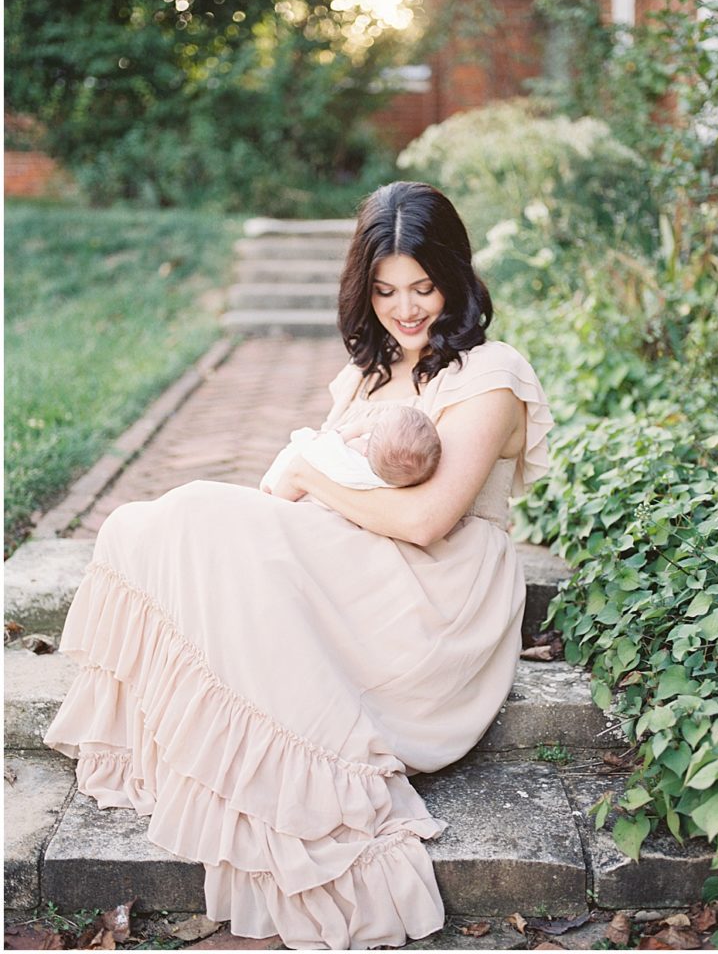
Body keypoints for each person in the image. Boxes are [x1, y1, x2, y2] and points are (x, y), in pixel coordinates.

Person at [44, 181, 555, 950]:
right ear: (363, 287)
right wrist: (300, 486)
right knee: (142, 527)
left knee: (196, 511)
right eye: (384, 290)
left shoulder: (488, 374)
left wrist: (308, 477)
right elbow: (301, 482)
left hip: (432, 592)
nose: (405, 308)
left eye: (423, 286)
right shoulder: (369, 375)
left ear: (456, 274)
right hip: (350, 557)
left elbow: (423, 520)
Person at [260, 405, 442, 496]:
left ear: (366, 450)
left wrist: (358, 428)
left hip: (299, 482)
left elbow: (327, 445)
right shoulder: (392, 479)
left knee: (302, 448)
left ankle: (274, 492)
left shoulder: (357, 453)